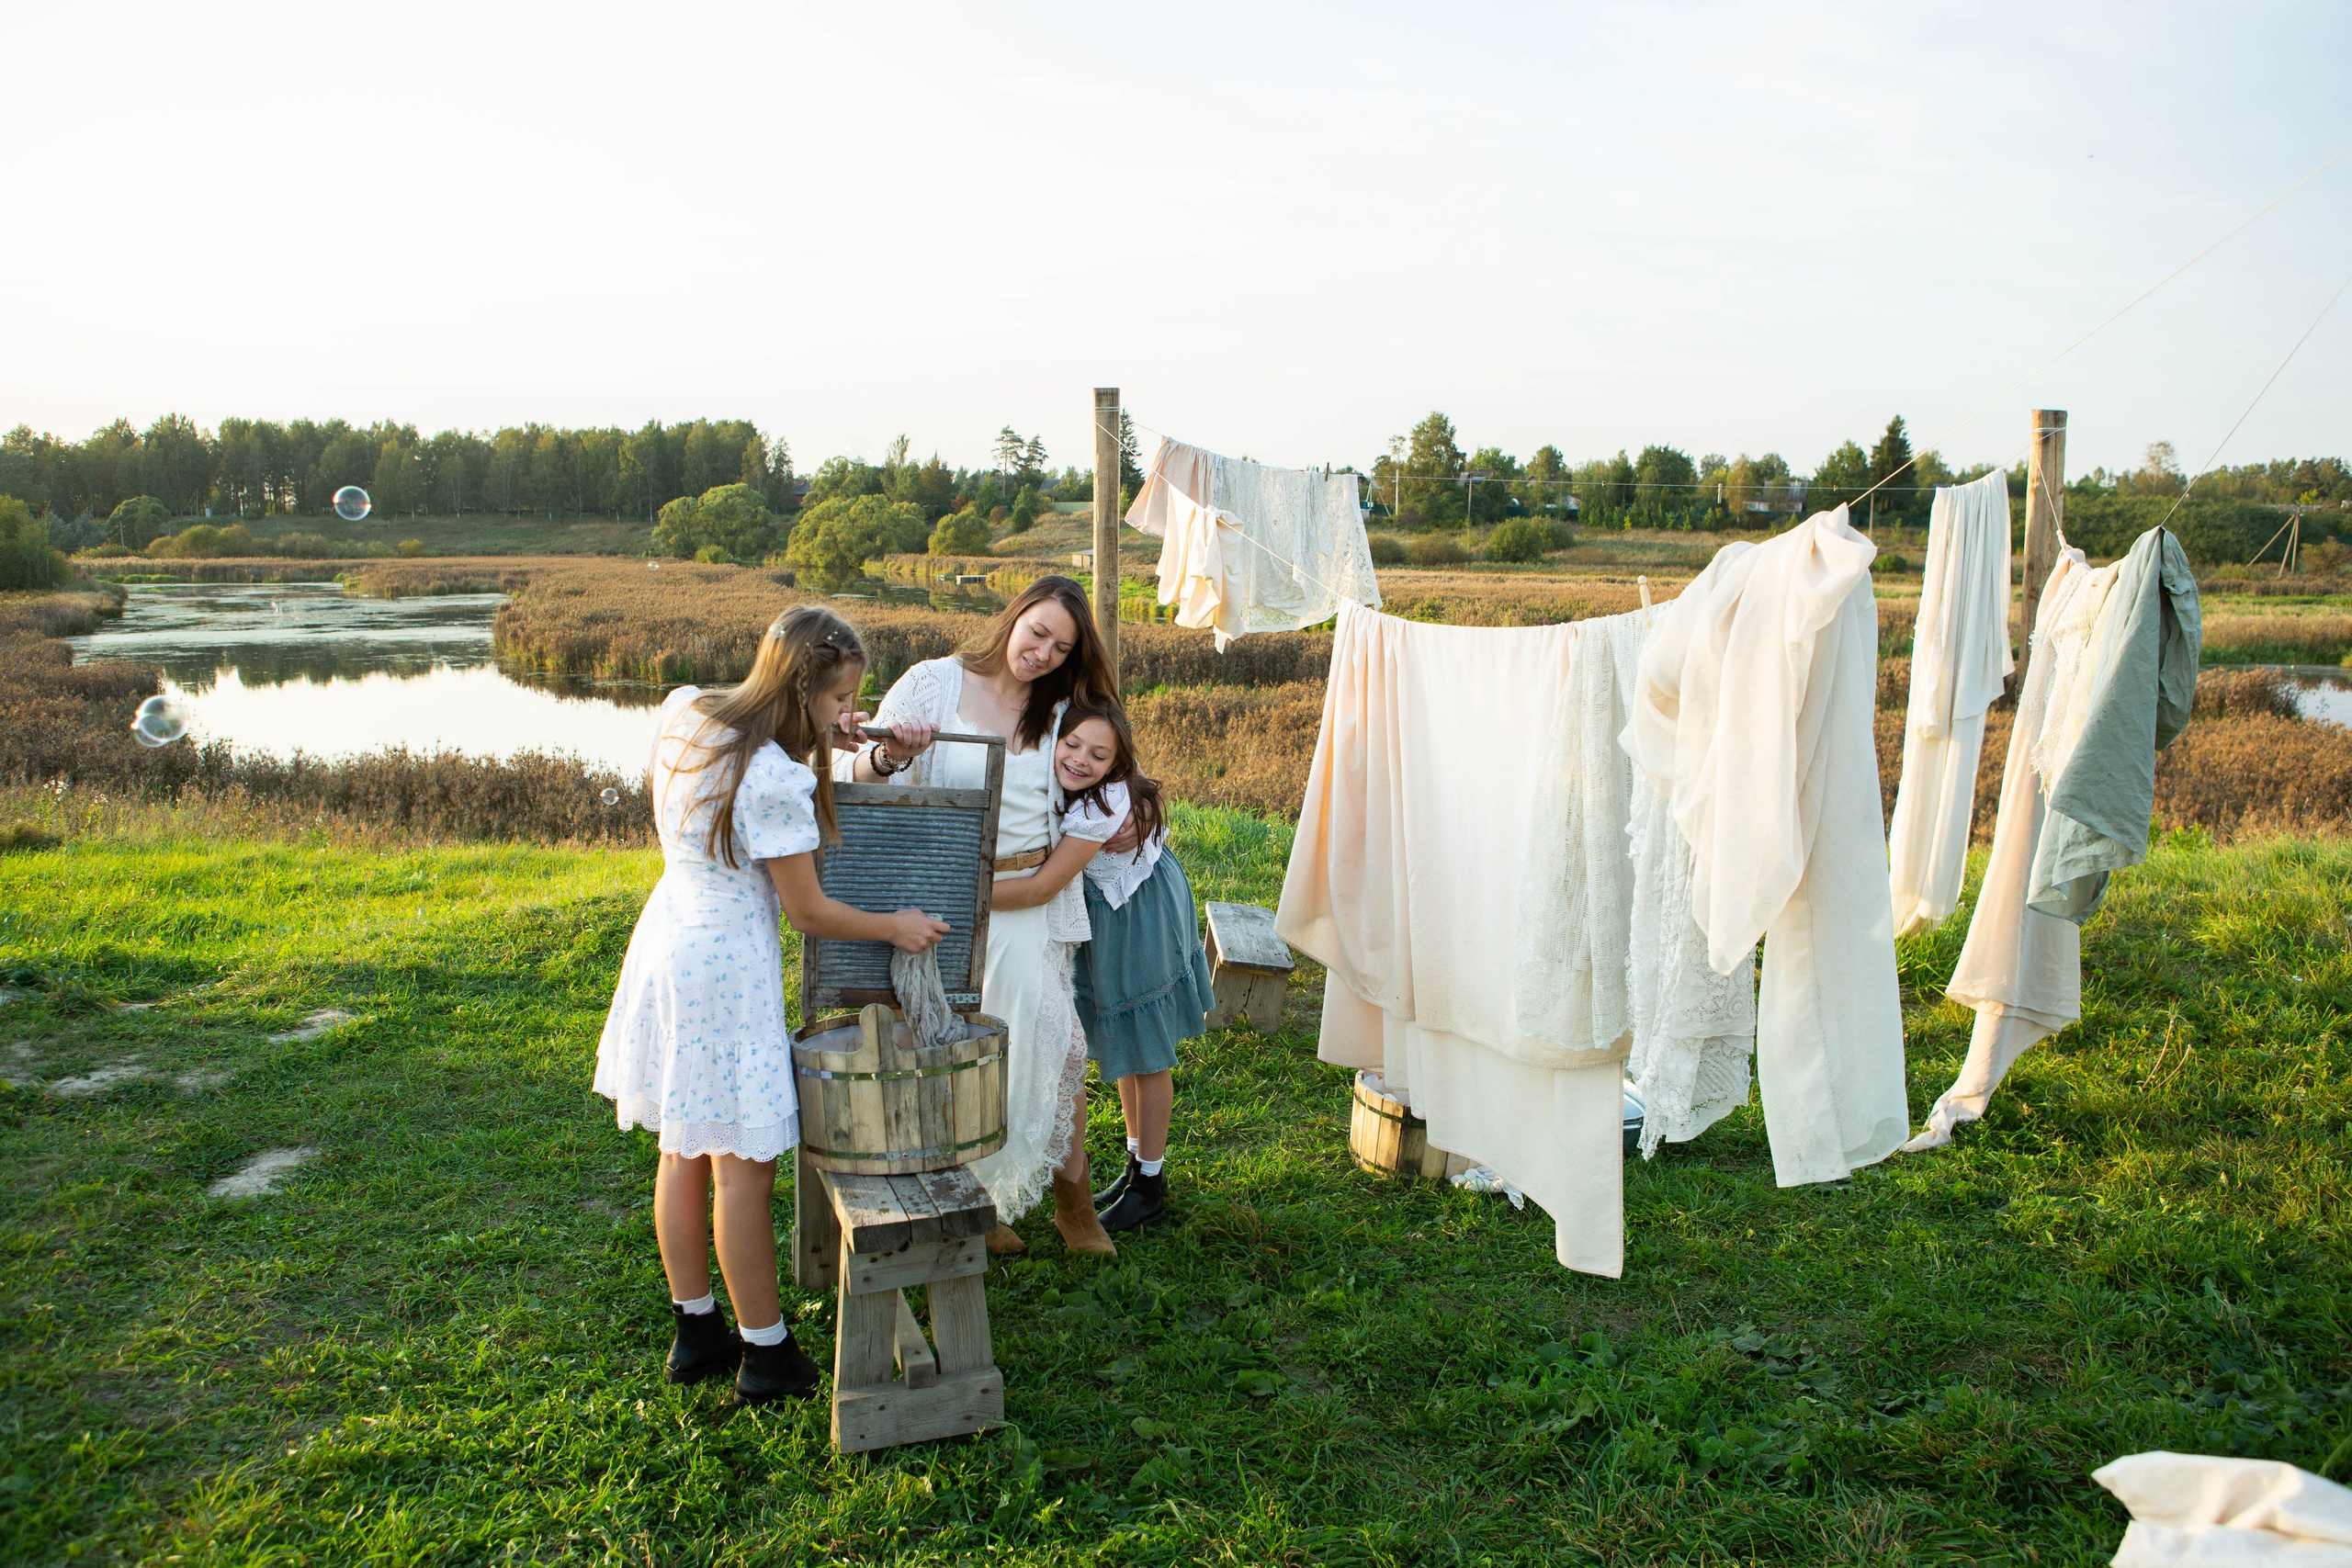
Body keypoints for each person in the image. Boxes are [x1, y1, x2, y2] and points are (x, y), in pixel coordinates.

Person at [594, 606, 948, 1404]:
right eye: (838, 698)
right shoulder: (775, 779)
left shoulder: (687, 712)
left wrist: (829, 737)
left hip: (670, 936)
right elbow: (809, 910)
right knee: (743, 1173)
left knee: (683, 1148)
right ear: (800, 692)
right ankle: (766, 1352)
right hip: (726, 970)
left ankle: (696, 1329)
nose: (847, 711)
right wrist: (894, 925)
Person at [848, 576, 1128, 1258]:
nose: (1043, 653)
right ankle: (980, 1192)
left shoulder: (1063, 707)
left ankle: (1072, 1203)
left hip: (1024, 895)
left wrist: (1135, 810)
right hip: (939, 898)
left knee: (1055, 1044)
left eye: (1061, 648)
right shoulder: (932, 683)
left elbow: (1108, 767)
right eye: (1038, 632)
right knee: (957, 1047)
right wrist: (890, 755)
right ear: (1015, 615)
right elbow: (859, 776)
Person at [1049, 703, 1215, 1233]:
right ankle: (1136, 1162)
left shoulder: (1107, 800)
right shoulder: (1067, 767)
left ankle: (1150, 1185)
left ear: (1116, 761)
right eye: (1073, 746)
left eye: (1098, 755)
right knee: (1122, 1035)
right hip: (1107, 910)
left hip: (1139, 908)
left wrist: (1146, 804)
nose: (1082, 759)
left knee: (1145, 1050)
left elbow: (1051, 876)